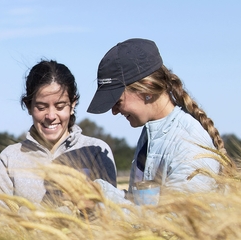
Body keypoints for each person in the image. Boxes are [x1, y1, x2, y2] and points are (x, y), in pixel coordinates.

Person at [86, 38, 225, 203]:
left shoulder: (188, 145)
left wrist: (100, 203)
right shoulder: (151, 134)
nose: (114, 111)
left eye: (117, 101)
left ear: (147, 88)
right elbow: (142, 206)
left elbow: (171, 219)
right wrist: (98, 192)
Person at [0, 60, 117, 205]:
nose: (51, 116)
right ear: (28, 106)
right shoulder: (9, 158)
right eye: (41, 107)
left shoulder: (96, 151)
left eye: (60, 106)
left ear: (72, 104)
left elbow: (110, 215)